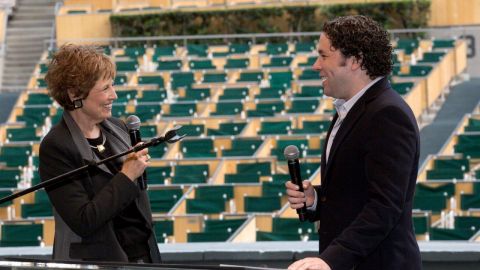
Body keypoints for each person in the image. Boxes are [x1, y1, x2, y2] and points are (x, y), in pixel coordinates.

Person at [286, 15, 421, 270]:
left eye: (324, 56)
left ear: (356, 60)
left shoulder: (387, 114)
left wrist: (329, 260)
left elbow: (384, 207)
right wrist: (314, 198)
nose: (316, 65)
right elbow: (354, 195)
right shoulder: (349, 109)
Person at [39, 44, 161, 263]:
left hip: (141, 255)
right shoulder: (56, 146)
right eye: (105, 88)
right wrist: (127, 175)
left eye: (112, 86)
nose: (114, 95)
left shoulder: (118, 128)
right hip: (97, 261)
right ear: (75, 93)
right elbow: (84, 220)